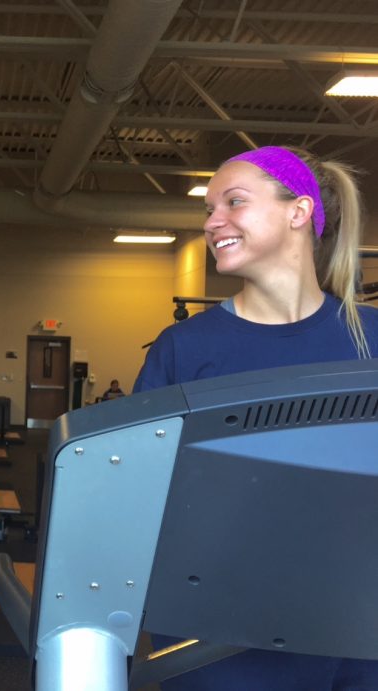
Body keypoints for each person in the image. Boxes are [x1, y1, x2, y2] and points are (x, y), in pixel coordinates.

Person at [134, 146, 378, 690]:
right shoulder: (183, 350)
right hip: (213, 633)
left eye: (234, 202)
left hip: (350, 630)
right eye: (208, 209)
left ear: (298, 212)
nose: (212, 222)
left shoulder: (372, 339)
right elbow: (137, 492)